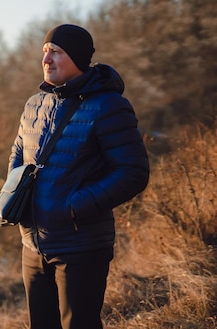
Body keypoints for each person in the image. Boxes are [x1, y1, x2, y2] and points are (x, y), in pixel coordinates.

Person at [8, 24, 150, 329]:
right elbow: (18, 154)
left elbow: (133, 172)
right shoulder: (35, 104)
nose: (47, 60)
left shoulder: (109, 106)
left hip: (80, 246)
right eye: (45, 51)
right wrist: (14, 198)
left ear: (78, 58)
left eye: (56, 52)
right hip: (33, 245)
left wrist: (74, 207)